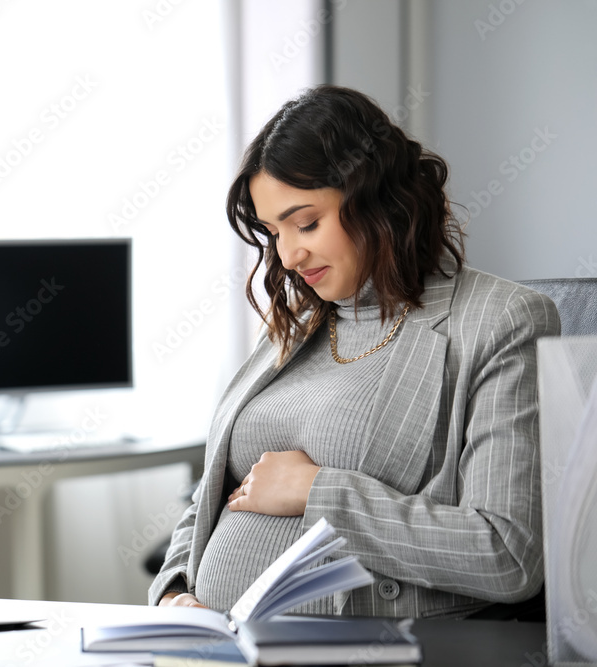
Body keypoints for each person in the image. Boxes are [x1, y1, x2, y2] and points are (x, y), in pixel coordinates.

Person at [149, 85, 561, 618]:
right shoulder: (294, 325)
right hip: (208, 644)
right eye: (274, 232)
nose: (289, 255)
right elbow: (214, 492)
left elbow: (507, 554)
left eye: (307, 223)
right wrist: (174, 591)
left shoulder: (502, 321)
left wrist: (318, 491)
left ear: (378, 198)